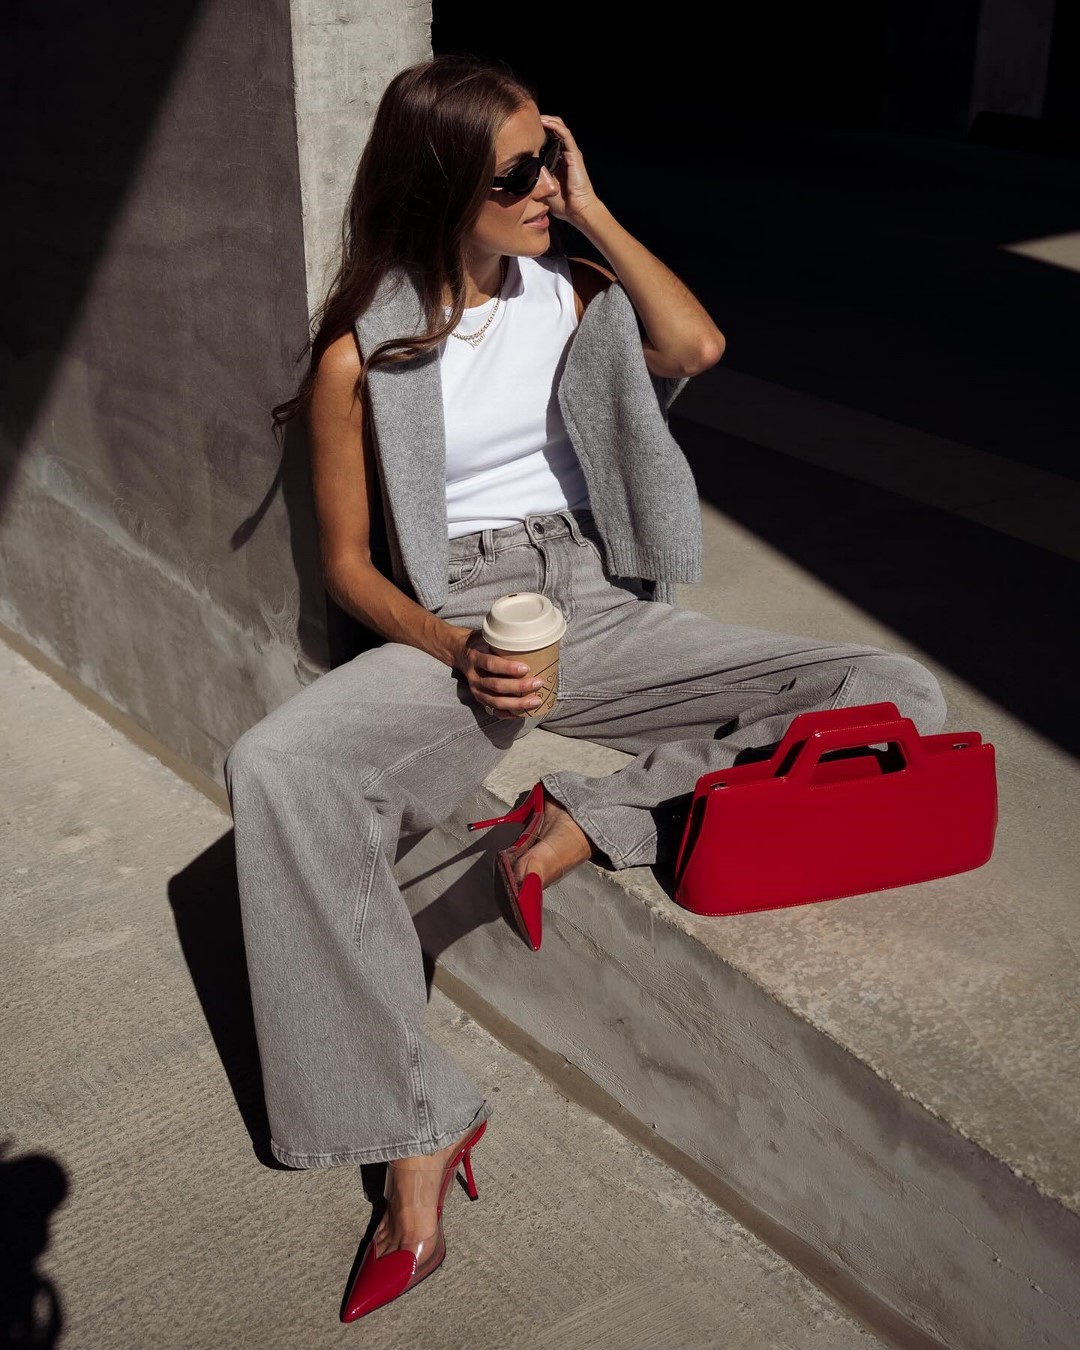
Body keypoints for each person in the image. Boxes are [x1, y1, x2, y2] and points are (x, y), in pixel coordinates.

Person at [224, 54, 947, 1322]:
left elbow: (699, 345)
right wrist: (456, 652)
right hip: (463, 617)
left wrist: (594, 206)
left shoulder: (572, 291)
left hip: (596, 605)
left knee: (890, 688)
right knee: (278, 768)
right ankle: (416, 1128)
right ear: (442, 185)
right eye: (518, 174)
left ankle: (583, 820)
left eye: (549, 161)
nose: (544, 190)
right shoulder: (363, 356)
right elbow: (348, 566)